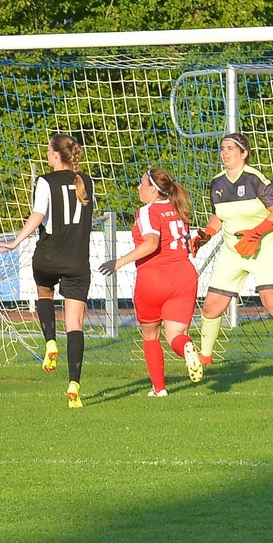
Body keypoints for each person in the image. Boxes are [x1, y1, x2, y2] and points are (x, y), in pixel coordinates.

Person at [189, 132, 273, 367]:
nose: (224, 152)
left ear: (244, 153)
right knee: (211, 306)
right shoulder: (217, 183)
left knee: (272, 300)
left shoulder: (255, 179)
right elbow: (218, 216)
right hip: (233, 249)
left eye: (230, 148)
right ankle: (205, 358)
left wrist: (256, 233)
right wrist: (206, 235)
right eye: (222, 148)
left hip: (265, 246)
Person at [0, 133, 96, 408]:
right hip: (78, 260)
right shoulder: (87, 181)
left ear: (55, 154)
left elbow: (38, 215)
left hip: (49, 256)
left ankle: (50, 341)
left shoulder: (45, 181)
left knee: (44, 291)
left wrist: (15, 241)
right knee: (75, 324)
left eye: (48, 151)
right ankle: (74, 384)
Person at [98, 168, 205, 396]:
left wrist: (119, 262)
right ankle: (186, 346)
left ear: (154, 190)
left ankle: (159, 389)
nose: (138, 187)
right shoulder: (178, 208)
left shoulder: (148, 211)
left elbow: (151, 243)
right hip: (184, 276)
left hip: (155, 277)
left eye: (142, 183)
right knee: (175, 335)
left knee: (151, 335)